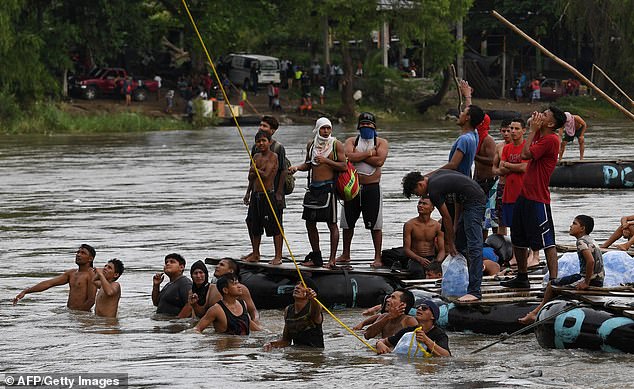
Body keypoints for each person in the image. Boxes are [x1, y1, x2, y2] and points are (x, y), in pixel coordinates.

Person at [500, 107, 567, 289]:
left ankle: (553, 281)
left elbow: (525, 154)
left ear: (551, 123)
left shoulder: (551, 139)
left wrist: (532, 131)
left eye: (545, 115)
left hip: (538, 198)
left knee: (547, 240)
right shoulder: (540, 136)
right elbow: (530, 126)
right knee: (518, 237)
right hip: (524, 195)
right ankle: (522, 276)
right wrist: (534, 127)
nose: (541, 116)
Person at [402, 170, 486, 302]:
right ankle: (469, 276)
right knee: (461, 245)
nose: (419, 196)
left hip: (474, 202)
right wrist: (456, 226)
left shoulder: (434, 190)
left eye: (415, 193)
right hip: (468, 200)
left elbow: (446, 217)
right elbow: (458, 195)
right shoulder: (435, 178)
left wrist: (450, 243)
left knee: (474, 245)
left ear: (420, 184)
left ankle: (475, 291)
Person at [518, 215, 604, 324]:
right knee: (563, 281)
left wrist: (586, 282)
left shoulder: (581, 242)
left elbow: (590, 261)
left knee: (551, 285)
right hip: (599, 279)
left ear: (582, 229)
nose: (570, 226)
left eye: (574, 224)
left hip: (590, 280)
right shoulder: (591, 240)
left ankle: (535, 313)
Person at [289, 117, 347, 269]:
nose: (326, 131)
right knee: (310, 223)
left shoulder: (336, 144)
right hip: (313, 189)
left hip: (328, 188)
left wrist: (326, 161)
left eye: (328, 128)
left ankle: (332, 259)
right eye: (323, 128)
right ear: (318, 129)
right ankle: (316, 256)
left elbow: (343, 166)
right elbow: (308, 164)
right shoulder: (312, 144)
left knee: (332, 224)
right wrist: (296, 168)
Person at [337, 112, 389, 268]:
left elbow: (379, 161)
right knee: (347, 223)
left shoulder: (381, 142)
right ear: (359, 126)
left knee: (375, 225)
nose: (366, 127)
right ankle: (346, 254)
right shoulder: (352, 140)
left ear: (374, 127)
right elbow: (347, 156)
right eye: (363, 124)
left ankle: (377, 257)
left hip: (371, 187)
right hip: (351, 188)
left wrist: (357, 155)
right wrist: (368, 153)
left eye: (369, 125)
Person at [243, 116, 287, 264]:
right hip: (256, 193)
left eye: (265, 126)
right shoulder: (256, 151)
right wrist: (248, 192)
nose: (261, 127)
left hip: (272, 192)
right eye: (260, 125)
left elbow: (281, 171)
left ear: (272, 132)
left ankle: (278, 256)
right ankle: (255, 253)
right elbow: (251, 173)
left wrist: (280, 193)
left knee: (275, 224)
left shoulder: (277, 150)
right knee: (252, 222)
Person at [496, 118, 539, 268]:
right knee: (514, 227)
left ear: (523, 131)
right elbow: (501, 168)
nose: (513, 131)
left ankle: (535, 255)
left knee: (529, 224)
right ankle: (515, 255)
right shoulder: (506, 148)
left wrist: (509, 165)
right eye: (511, 128)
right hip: (509, 192)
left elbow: (524, 168)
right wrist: (511, 166)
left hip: (524, 192)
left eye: (516, 129)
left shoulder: (526, 147)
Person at [13, 244, 97, 311]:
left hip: (82, 316)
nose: (78, 255)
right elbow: (49, 283)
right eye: (78, 252)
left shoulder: (91, 275)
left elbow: (91, 300)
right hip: (71, 312)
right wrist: (26, 291)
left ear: (90, 259)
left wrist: (80, 316)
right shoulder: (71, 273)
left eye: (83, 253)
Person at [189, 258, 260, 328]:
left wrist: (256, 322)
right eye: (218, 264)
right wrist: (195, 305)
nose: (217, 266)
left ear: (231, 271)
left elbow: (253, 311)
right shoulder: (211, 288)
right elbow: (203, 315)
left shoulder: (241, 289)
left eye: (222, 265)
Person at [264, 277, 324, 350]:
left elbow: (317, 309)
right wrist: (271, 344)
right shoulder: (288, 310)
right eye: (297, 284)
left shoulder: (313, 308)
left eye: (302, 285)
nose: (297, 287)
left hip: (314, 354)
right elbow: (286, 341)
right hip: (297, 354)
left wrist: (313, 299)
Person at [375, 299, 451, 357]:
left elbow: (446, 356)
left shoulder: (439, 334)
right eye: (418, 307)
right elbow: (384, 341)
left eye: (424, 308)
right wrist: (379, 344)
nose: (419, 309)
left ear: (433, 316)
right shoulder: (408, 332)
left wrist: (426, 341)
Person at [402, 196, 445, 279]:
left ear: (432, 208)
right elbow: (406, 249)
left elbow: (442, 250)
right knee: (417, 271)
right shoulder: (409, 225)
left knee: (437, 272)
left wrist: (437, 262)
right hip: (415, 258)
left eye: (424, 204)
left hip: (431, 258)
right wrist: (419, 259)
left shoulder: (437, 226)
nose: (420, 206)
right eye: (419, 203)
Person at [152, 253, 192, 318]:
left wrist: (177, 321)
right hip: (164, 323)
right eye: (166, 262)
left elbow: (190, 305)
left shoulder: (184, 282)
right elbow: (156, 303)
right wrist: (156, 285)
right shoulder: (168, 285)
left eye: (172, 262)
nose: (168, 264)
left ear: (181, 267)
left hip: (174, 325)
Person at [491, 119, 513, 236]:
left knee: (517, 219)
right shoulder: (499, 146)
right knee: (501, 219)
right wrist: (500, 171)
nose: (506, 134)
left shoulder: (520, 147)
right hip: (502, 185)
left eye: (508, 131)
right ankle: (503, 249)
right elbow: (493, 168)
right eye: (503, 131)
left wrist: (509, 168)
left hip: (515, 185)